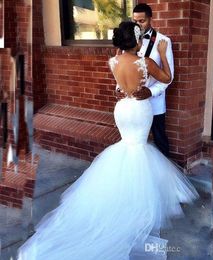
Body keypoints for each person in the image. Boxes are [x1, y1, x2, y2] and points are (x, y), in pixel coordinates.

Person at [17, 22, 198, 260]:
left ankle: (122, 196)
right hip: (139, 108)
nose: (143, 41)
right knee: (139, 148)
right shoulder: (146, 62)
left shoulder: (113, 61)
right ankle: (135, 202)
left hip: (122, 108)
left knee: (127, 146)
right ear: (135, 41)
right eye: (140, 38)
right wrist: (163, 54)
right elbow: (167, 77)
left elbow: (118, 85)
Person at [117, 3, 174, 157]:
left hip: (154, 103)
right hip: (133, 105)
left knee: (160, 139)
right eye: (135, 21)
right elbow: (123, 67)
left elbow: (169, 78)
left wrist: (151, 92)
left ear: (150, 19)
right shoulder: (127, 40)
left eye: (142, 21)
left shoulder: (163, 41)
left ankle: (164, 175)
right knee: (133, 143)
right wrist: (119, 88)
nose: (138, 25)